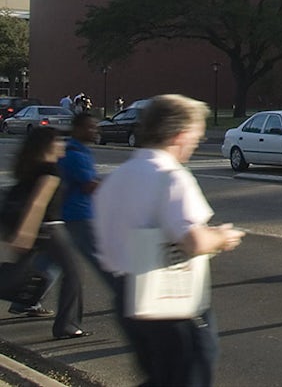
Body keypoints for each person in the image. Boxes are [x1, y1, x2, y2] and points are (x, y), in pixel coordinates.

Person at [94, 94, 243, 387]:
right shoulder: (171, 176)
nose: (197, 143)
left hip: (127, 296)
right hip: (171, 299)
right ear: (180, 135)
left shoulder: (116, 178)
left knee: (160, 376)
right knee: (189, 374)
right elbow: (193, 241)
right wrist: (222, 237)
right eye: (196, 136)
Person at [4, 126, 84, 338]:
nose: (62, 145)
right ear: (49, 145)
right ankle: (66, 326)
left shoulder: (29, 168)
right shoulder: (51, 170)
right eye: (59, 141)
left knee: (14, 275)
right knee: (73, 273)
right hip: (50, 227)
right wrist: (26, 233)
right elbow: (38, 203)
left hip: (31, 228)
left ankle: (61, 322)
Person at [60, 112, 119, 299]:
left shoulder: (77, 151)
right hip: (79, 214)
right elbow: (89, 185)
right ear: (77, 129)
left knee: (53, 262)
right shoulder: (75, 155)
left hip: (70, 213)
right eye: (90, 127)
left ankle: (27, 296)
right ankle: (125, 294)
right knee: (101, 257)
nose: (95, 131)